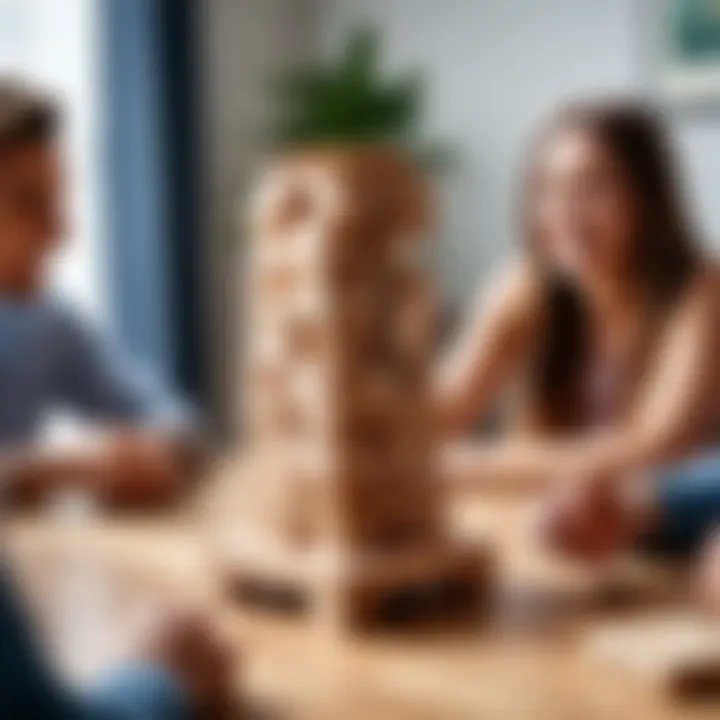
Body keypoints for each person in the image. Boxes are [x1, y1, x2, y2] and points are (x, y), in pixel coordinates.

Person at [0, 79, 230, 717]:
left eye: (62, 202)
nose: (63, 234)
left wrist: (164, 452)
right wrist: (58, 468)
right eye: (31, 205)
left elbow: (182, 421)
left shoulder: (47, 323)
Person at [437, 100, 720, 598]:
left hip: (678, 551)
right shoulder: (526, 287)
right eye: (546, 188)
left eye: (594, 187)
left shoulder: (701, 290)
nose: (564, 211)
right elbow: (439, 411)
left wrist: (468, 468)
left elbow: (656, 446)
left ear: (647, 198)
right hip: (572, 549)